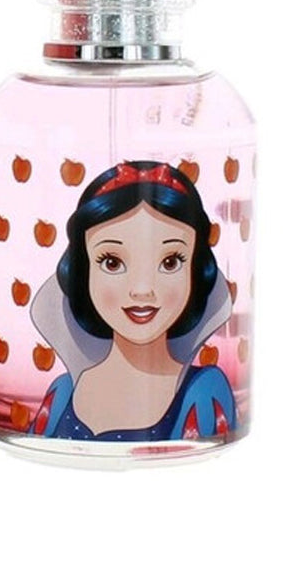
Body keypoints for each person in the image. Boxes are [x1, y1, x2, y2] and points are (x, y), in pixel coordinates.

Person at [29, 160, 236, 441]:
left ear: (195, 270)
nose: (142, 290)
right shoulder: (62, 392)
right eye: (112, 262)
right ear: (84, 270)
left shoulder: (203, 391)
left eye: (170, 262)